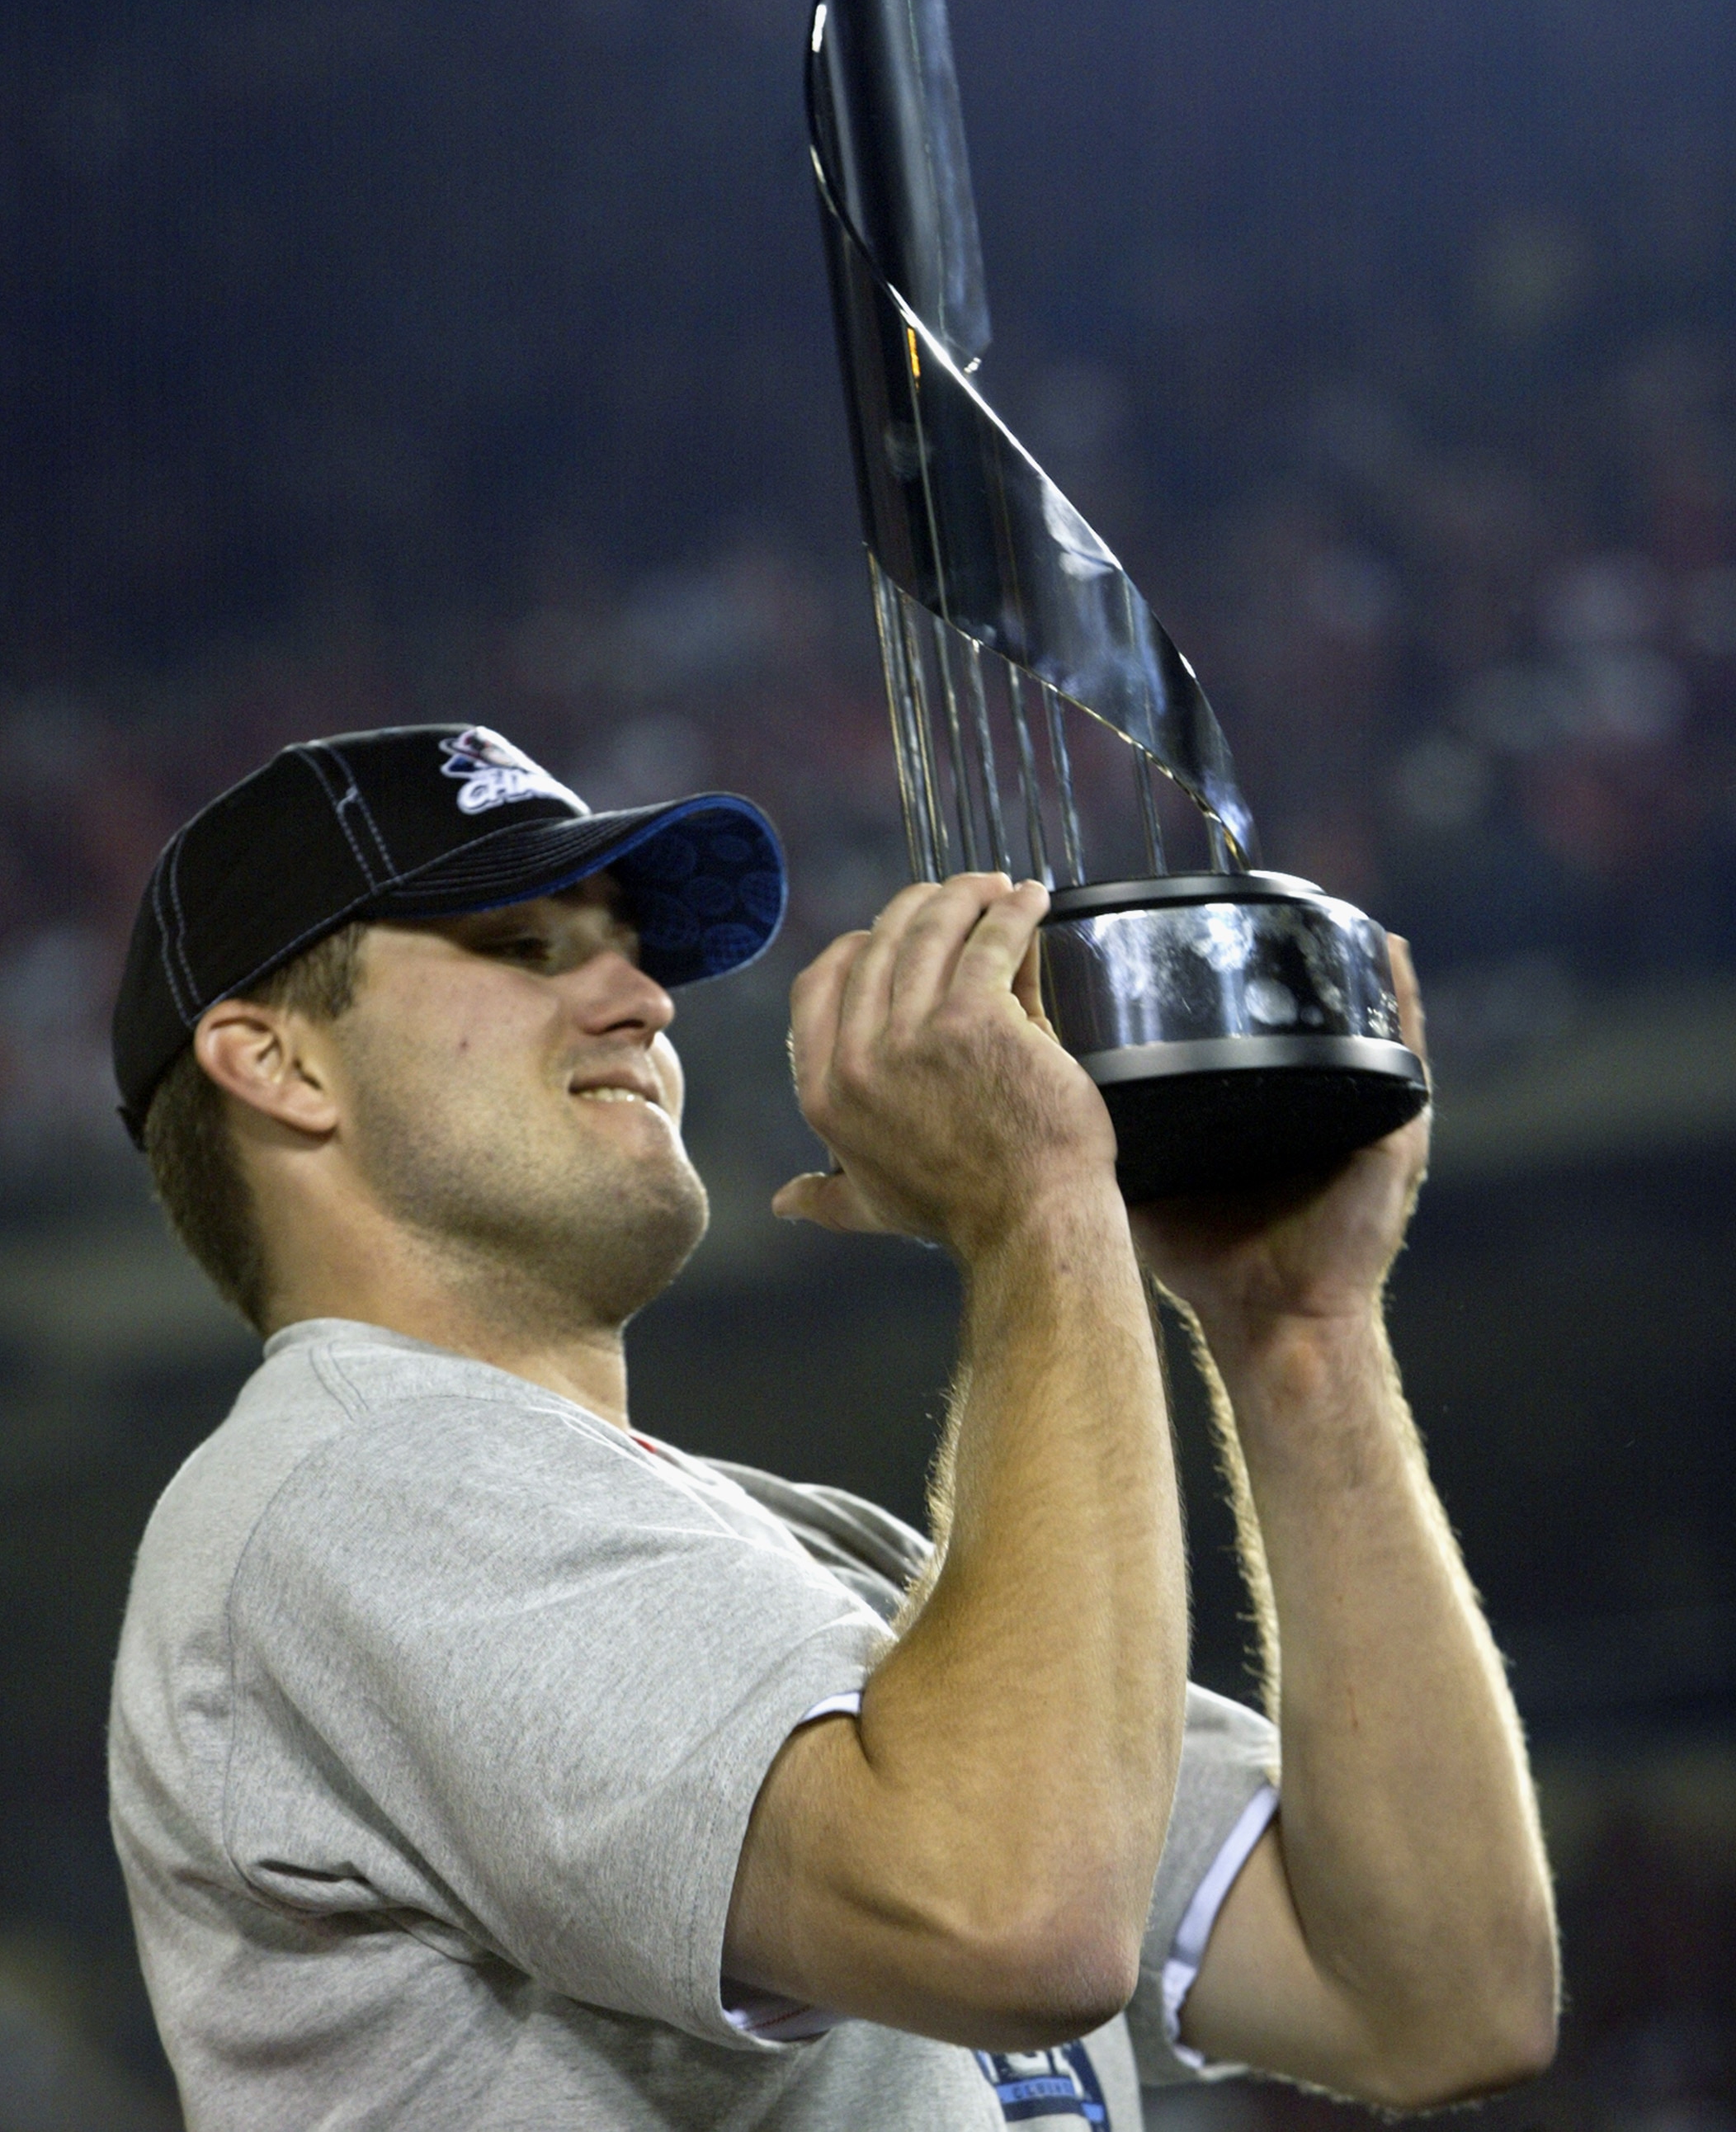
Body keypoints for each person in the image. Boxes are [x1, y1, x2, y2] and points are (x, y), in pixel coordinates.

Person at [107, 722, 1559, 2130]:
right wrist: (1039, 1203)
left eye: (634, 948)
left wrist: (1295, 1338)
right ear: (277, 1062)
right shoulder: (351, 1488)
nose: (646, 1000)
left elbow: (1437, 1998)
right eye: (527, 946)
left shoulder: (818, 1551)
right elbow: (1013, 1914)